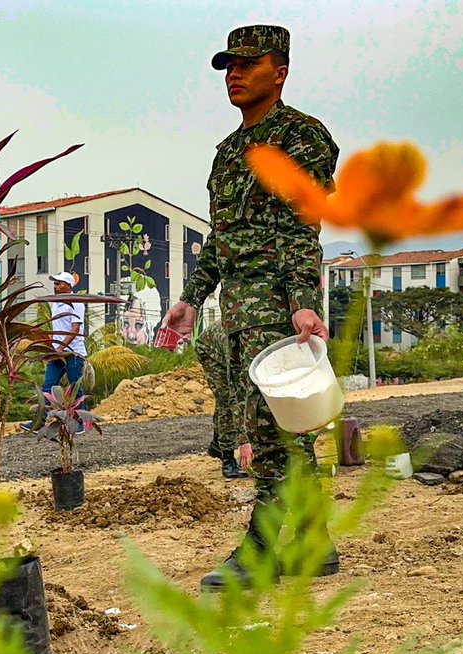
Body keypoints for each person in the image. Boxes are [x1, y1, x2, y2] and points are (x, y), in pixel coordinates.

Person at [162, 24, 340, 590]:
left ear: (280, 70)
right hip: (239, 312)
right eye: (227, 65)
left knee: (270, 437)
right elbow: (221, 236)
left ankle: (262, 549)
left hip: (279, 310)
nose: (233, 73)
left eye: (247, 63)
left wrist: (303, 304)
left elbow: (301, 228)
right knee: (281, 433)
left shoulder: (301, 137)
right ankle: (315, 545)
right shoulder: (228, 153)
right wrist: (192, 299)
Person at [22, 272, 87, 433]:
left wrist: (60, 348)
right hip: (57, 352)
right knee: (47, 387)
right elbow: (55, 329)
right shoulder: (55, 303)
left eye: (59, 283)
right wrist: (52, 348)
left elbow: (75, 329)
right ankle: (38, 422)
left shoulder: (76, 303)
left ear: (68, 286)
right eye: (55, 283)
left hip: (73, 353)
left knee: (74, 388)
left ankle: (80, 422)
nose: (55, 286)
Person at [195, 324, 248, 479]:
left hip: (221, 343)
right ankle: (228, 459)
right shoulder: (235, 347)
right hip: (209, 349)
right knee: (225, 400)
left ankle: (217, 444)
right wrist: (244, 442)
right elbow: (235, 397)